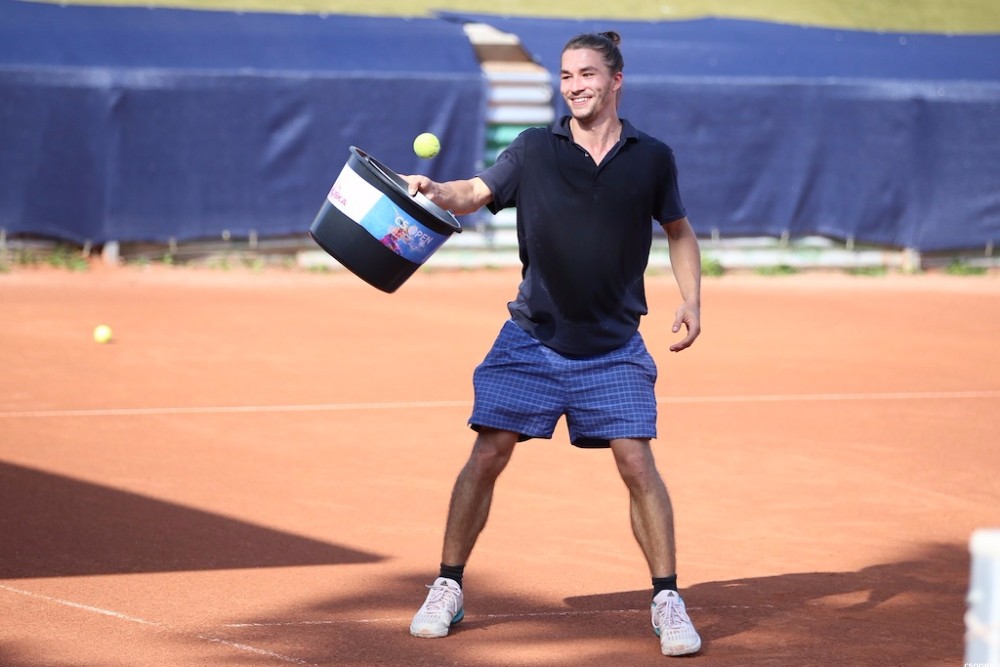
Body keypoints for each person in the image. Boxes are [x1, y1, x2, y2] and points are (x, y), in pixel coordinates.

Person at [401, 30, 703, 657]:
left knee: (637, 463)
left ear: (615, 80)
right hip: (532, 339)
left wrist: (691, 298)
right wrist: (436, 191)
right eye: (565, 76)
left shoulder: (652, 157)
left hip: (614, 345)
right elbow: (475, 192)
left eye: (586, 74)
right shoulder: (534, 149)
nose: (574, 86)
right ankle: (447, 585)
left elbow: (678, 230)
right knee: (488, 454)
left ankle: (667, 598)